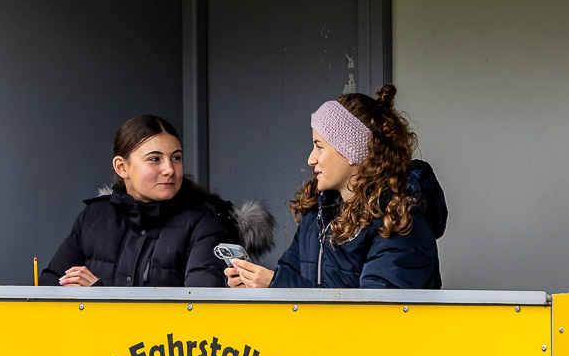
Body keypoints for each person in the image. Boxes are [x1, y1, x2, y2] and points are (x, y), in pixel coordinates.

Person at [226, 85, 447, 289]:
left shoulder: (398, 219)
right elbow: (291, 279)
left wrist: (275, 285)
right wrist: (254, 286)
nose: (311, 159)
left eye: (319, 147)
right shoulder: (318, 212)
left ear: (351, 151)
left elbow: (377, 311)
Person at [41, 114, 274, 287]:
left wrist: (98, 296)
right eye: (155, 159)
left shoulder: (207, 222)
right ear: (122, 167)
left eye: (176, 158)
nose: (169, 169)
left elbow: (199, 312)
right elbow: (48, 288)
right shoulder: (95, 216)